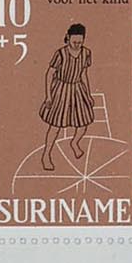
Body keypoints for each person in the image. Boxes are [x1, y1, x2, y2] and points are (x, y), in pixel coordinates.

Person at [39, 22, 94, 171]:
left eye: (80, 42)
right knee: (56, 125)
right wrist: (48, 96)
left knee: (83, 123)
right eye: (74, 42)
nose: (77, 45)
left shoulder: (86, 53)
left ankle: (74, 143)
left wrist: (88, 94)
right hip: (61, 90)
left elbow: (84, 74)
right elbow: (49, 74)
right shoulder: (61, 54)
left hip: (77, 89)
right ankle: (46, 155)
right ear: (68, 38)